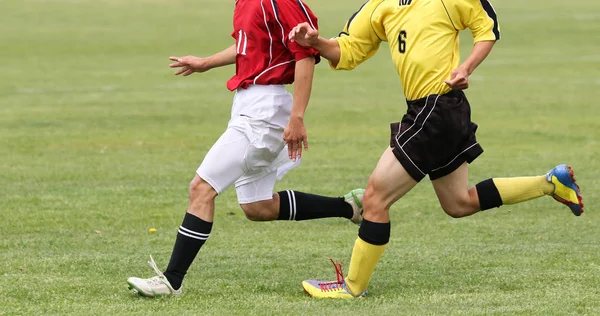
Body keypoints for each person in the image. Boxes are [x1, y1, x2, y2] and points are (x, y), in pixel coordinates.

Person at [288, 0, 584, 298]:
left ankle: (351, 287)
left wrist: (466, 67)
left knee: (374, 199)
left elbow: (486, 27)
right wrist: (316, 42)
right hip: (435, 110)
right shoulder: (380, 5)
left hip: (437, 107)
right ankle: (550, 183)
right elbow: (350, 49)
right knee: (458, 203)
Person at [126, 0, 366, 297]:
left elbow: (305, 55)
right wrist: (205, 62)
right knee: (257, 207)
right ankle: (350, 207)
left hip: (263, 113)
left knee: (201, 188)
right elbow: (249, 47)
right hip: (249, 106)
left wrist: (297, 118)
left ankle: (171, 280)